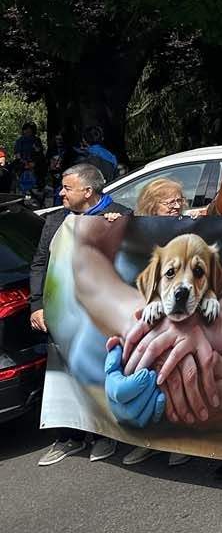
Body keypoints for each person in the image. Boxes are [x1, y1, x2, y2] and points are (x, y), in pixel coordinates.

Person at [30, 163, 132, 466]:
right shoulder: (55, 221)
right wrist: (37, 304)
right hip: (62, 314)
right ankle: (70, 437)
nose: (61, 193)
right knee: (65, 374)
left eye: (67, 188)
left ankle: (105, 436)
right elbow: (39, 263)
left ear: (88, 191)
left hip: (102, 316)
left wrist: (119, 229)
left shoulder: (119, 215)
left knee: (101, 373)